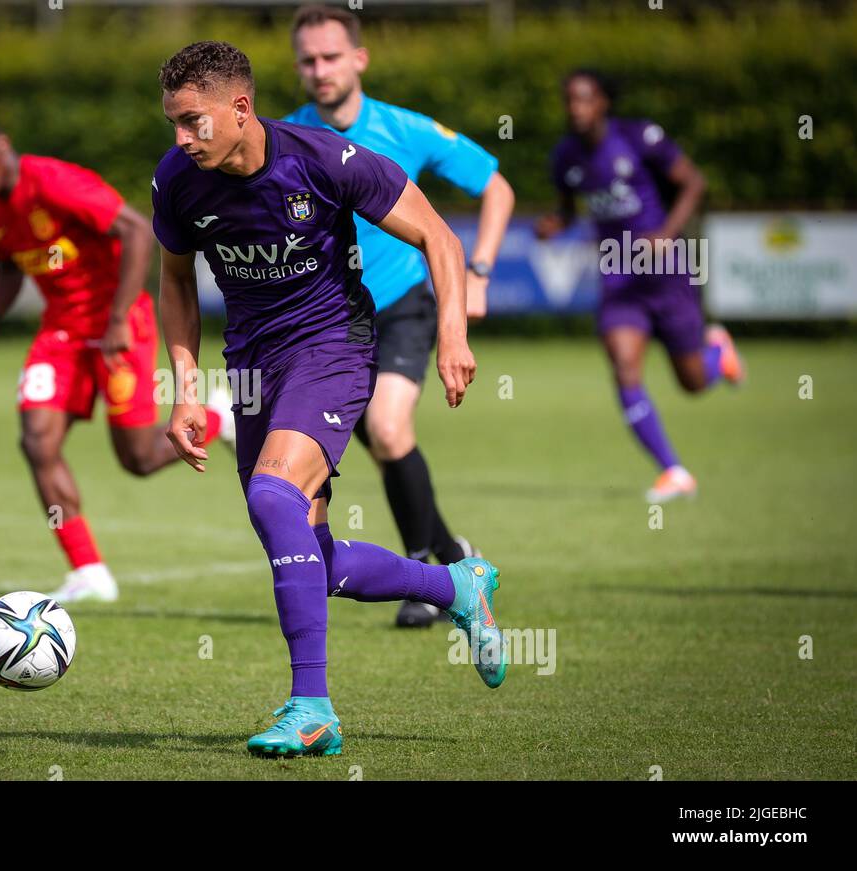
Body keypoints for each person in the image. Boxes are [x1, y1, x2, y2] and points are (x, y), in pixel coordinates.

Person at [153, 42, 507, 758]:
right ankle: (455, 584)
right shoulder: (178, 182)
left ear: (241, 108)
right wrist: (186, 390)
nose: (182, 140)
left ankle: (311, 706)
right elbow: (176, 281)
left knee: (271, 498)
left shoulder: (323, 160)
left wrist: (452, 333)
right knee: (311, 552)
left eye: (194, 122)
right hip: (252, 362)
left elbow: (437, 234)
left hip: (333, 347)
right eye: (174, 125)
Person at [282, 5, 515, 628]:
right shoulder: (288, 138)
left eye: (331, 56)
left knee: (387, 430)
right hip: (331, 324)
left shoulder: (406, 130)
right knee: (388, 448)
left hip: (405, 305)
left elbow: (496, 186)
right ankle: (453, 560)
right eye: (308, 59)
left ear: (359, 58)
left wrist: (478, 272)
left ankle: (421, 581)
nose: (320, 69)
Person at [0, 108, 222, 603]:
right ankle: (89, 571)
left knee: (138, 459)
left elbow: (136, 230)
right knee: (36, 441)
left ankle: (221, 417)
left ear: (2, 144)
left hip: (121, 326)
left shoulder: (52, 182)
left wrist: (117, 318)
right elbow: (11, 267)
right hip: (61, 335)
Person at [536, 70, 743, 503]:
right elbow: (569, 211)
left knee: (691, 382)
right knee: (624, 365)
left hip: (666, 274)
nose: (577, 108)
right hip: (618, 277)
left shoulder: (638, 136)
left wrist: (667, 234)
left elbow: (693, 182)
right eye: (570, 100)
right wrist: (556, 223)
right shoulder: (564, 157)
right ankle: (673, 471)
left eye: (585, 99)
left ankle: (717, 355)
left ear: (603, 102)